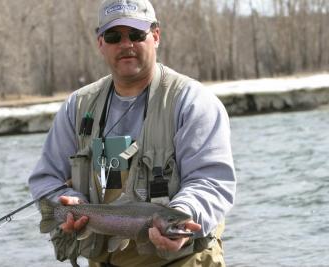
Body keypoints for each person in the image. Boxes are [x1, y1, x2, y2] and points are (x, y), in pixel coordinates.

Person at [28, 0, 236, 266]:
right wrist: (66, 203)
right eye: (114, 36)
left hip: (182, 260)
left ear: (156, 36)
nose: (126, 44)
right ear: (100, 43)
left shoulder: (193, 102)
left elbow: (210, 181)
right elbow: (46, 178)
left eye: (137, 34)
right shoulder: (78, 106)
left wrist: (182, 215)